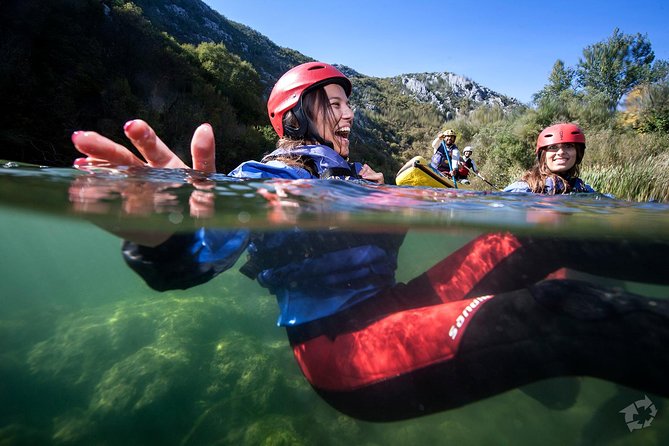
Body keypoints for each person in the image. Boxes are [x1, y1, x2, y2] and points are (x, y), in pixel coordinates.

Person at [70, 63, 669, 422]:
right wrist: (166, 241)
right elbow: (206, 247)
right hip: (345, 350)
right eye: (331, 103)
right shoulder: (268, 176)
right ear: (295, 119)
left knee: (531, 238)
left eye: (348, 101)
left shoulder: (357, 177)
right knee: (558, 310)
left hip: (396, 306)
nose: (348, 112)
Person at [504, 123, 596, 194]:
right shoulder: (521, 189)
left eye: (568, 146)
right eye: (553, 147)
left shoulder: (584, 189)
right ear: (543, 155)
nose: (561, 152)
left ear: (578, 153)